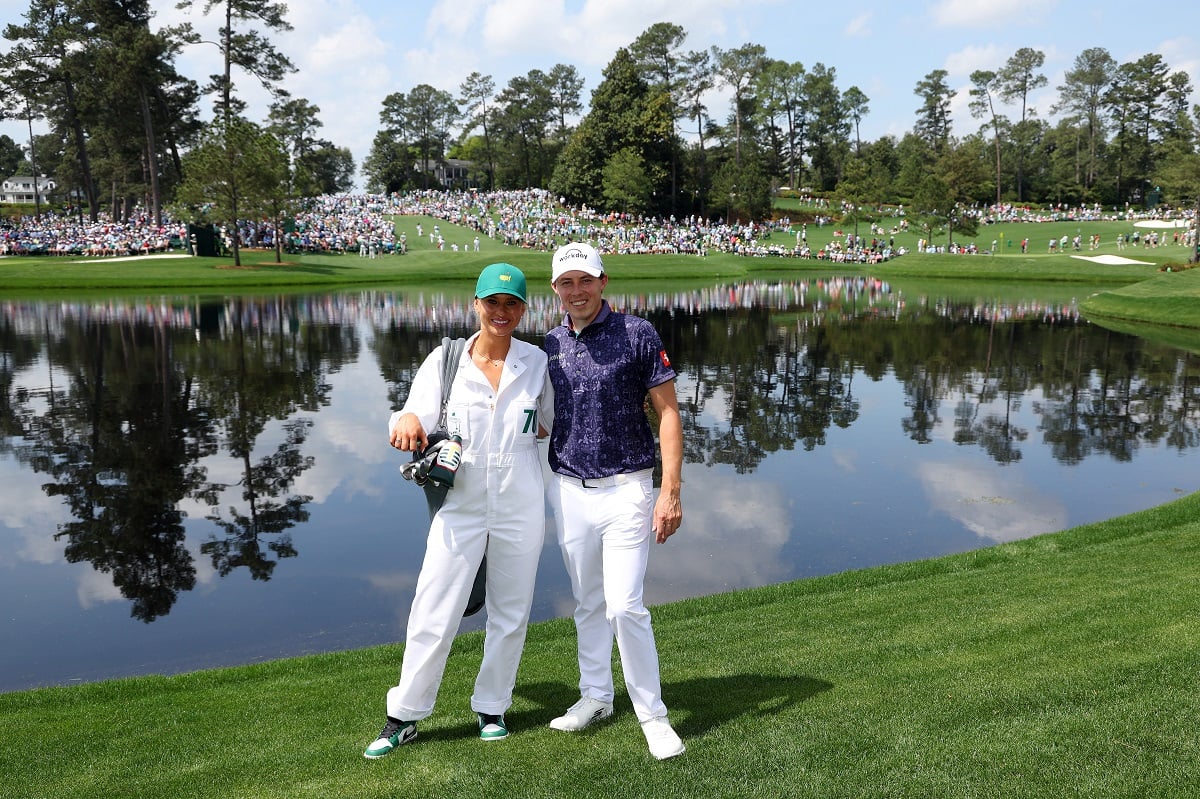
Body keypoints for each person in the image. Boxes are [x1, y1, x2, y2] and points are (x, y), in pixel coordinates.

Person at [364, 262, 553, 758]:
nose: (502, 312)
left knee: (511, 612)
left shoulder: (537, 362)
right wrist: (404, 420)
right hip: (461, 503)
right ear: (476, 304)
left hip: (522, 499)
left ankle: (492, 706)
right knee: (434, 607)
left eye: (512, 304)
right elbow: (413, 415)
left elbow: (551, 424)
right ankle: (403, 716)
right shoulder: (445, 360)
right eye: (493, 302)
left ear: (523, 309)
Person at [542, 241, 686, 760]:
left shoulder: (638, 333)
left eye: (585, 280)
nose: (576, 291)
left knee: (625, 606)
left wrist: (670, 490)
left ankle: (653, 714)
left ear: (603, 282)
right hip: (571, 492)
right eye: (566, 283)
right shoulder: (551, 344)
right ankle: (596, 696)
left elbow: (668, 413)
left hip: (629, 487)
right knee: (588, 603)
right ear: (555, 290)